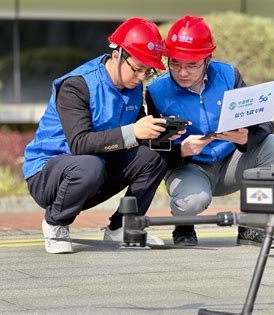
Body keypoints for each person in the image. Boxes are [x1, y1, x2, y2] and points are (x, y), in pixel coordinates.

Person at [23, 18, 181, 254]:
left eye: (148, 72)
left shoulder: (134, 86)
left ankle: (123, 226)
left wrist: (164, 134)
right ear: (117, 55)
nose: (141, 77)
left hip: (97, 168)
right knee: (89, 165)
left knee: (156, 155)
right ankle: (55, 223)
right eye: (137, 69)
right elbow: (79, 144)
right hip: (49, 176)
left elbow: (135, 135)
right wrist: (134, 132)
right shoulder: (76, 86)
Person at [145, 15, 274, 246]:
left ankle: (254, 226)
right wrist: (180, 150)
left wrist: (246, 137)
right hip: (190, 168)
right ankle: (184, 225)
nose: (182, 72)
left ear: (207, 59)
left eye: (192, 65)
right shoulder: (156, 91)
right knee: (192, 201)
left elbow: (263, 123)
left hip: (232, 162)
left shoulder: (229, 75)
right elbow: (154, 148)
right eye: (175, 64)